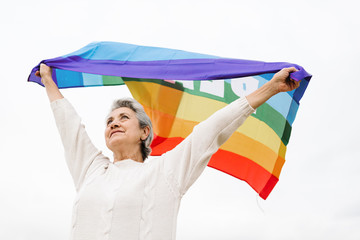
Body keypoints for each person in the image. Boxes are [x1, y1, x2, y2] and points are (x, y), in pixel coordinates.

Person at [36, 63, 300, 240]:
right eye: (109, 121)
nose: (113, 123)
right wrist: (48, 81)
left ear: (144, 132)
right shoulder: (91, 170)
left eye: (124, 117)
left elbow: (211, 131)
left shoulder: (165, 171)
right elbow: (69, 126)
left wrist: (271, 88)